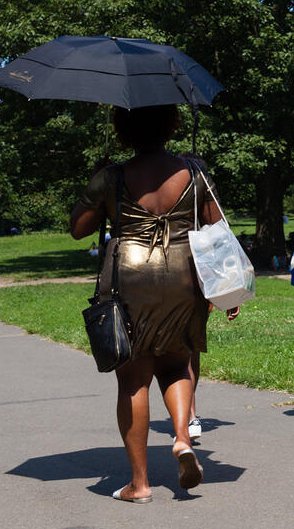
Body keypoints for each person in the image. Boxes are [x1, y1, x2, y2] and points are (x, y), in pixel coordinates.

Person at [68, 105, 239, 502]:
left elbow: (78, 228)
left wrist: (98, 183)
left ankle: (140, 483)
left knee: (133, 379)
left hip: (130, 275)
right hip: (184, 276)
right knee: (178, 362)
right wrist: (227, 288)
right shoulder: (195, 173)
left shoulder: (112, 176)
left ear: (124, 128)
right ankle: (181, 439)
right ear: (170, 125)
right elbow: (218, 229)